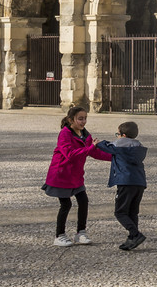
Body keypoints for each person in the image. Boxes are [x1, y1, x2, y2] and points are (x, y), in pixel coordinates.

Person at [41, 105, 112, 247]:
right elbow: (70, 155)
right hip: (61, 175)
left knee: (83, 201)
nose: (83, 121)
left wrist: (114, 157)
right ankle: (59, 235)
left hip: (76, 176)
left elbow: (94, 153)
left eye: (85, 118)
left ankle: (81, 232)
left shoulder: (85, 134)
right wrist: (90, 147)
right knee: (66, 204)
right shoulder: (65, 134)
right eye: (80, 119)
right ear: (71, 119)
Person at [95, 120, 148, 251]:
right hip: (139, 183)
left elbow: (106, 146)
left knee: (120, 212)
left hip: (126, 182)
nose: (116, 137)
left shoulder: (120, 145)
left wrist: (97, 143)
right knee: (132, 212)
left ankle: (136, 234)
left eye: (117, 134)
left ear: (123, 135)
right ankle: (132, 238)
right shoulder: (138, 147)